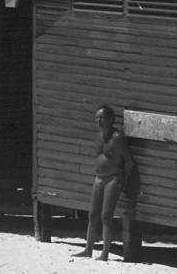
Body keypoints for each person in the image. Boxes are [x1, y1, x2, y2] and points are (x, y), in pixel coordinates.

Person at [73, 104, 135, 261]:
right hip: (99, 178)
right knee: (92, 214)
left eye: (102, 117)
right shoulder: (98, 136)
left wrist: (125, 180)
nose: (99, 121)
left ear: (111, 119)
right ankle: (88, 249)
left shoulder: (117, 137)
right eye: (97, 118)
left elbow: (129, 161)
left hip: (113, 178)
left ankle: (105, 253)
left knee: (106, 216)